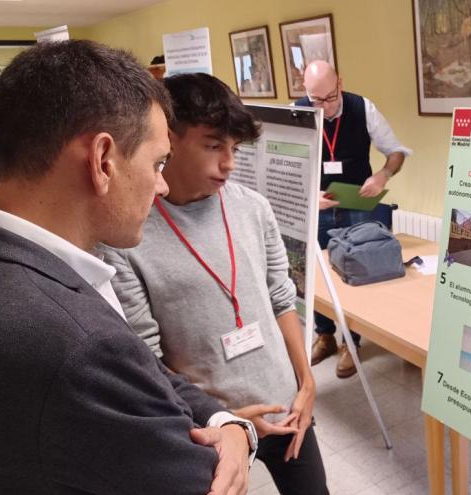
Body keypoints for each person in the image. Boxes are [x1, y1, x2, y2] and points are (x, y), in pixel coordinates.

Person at [0, 40, 260, 494]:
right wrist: (237, 439)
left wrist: (229, 423)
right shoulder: (75, 342)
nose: (160, 185)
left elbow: (144, 372)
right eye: (157, 163)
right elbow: (204, 482)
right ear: (102, 161)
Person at [102, 73, 327, 495]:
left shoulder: (253, 208)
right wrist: (225, 420)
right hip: (212, 426)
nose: (228, 163)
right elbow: (146, 353)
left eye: (234, 148)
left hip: (288, 406)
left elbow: (282, 298)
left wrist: (306, 382)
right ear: (169, 139)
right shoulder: (130, 234)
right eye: (212, 146)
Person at [296, 60, 412, 378]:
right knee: (317, 275)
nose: (322, 106)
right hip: (319, 207)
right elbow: (286, 167)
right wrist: (308, 196)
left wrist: (383, 175)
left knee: (354, 273)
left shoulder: (363, 108)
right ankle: (325, 335)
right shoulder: (299, 113)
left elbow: (396, 152)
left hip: (357, 204)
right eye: (314, 99)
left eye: (329, 97)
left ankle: (352, 342)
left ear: (340, 84)